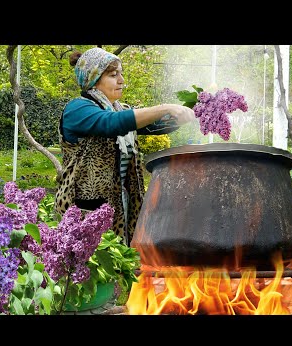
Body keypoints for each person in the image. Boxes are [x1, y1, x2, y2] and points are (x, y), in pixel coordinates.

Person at [54, 47, 197, 245]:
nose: (122, 80)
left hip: (121, 205)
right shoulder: (77, 109)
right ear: (93, 79)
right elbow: (112, 123)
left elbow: (155, 125)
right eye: (114, 75)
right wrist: (165, 107)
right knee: (91, 268)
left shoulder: (120, 109)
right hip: (85, 210)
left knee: (120, 265)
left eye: (121, 74)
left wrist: (193, 109)